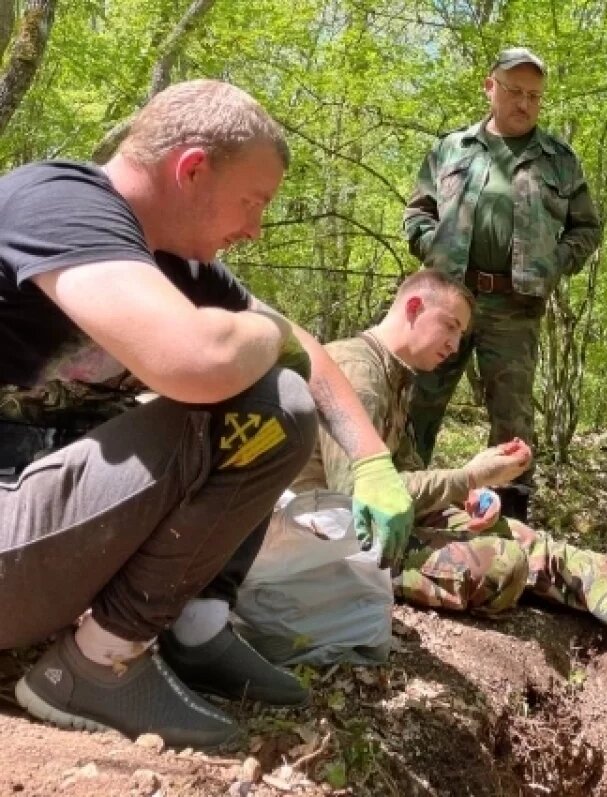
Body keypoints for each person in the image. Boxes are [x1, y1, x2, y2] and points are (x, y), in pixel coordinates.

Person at [0, 80, 414, 749]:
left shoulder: (180, 263)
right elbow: (197, 357)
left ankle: (196, 625)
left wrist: (370, 459)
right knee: (270, 399)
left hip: (32, 524)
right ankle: (96, 665)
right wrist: (263, 338)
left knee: (272, 385)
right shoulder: (58, 203)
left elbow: (304, 346)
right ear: (191, 170)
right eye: (253, 201)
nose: (254, 228)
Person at [260, 268, 607, 649]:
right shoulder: (356, 371)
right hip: (335, 541)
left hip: (378, 523)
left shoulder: (394, 377)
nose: (455, 347)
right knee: (500, 565)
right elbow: (359, 499)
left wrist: (471, 493)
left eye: (460, 334)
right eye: (449, 327)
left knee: (524, 537)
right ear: (412, 306)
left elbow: (398, 477)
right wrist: (468, 475)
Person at [403, 46, 603, 522]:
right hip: (450, 298)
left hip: (515, 306)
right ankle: (405, 499)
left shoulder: (559, 160)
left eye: (534, 95)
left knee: (512, 417)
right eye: (514, 91)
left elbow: (587, 228)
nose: (524, 103)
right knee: (420, 399)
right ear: (489, 87)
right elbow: (417, 211)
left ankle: (510, 519)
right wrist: (434, 250)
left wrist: (553, 264)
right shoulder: (451, 149)